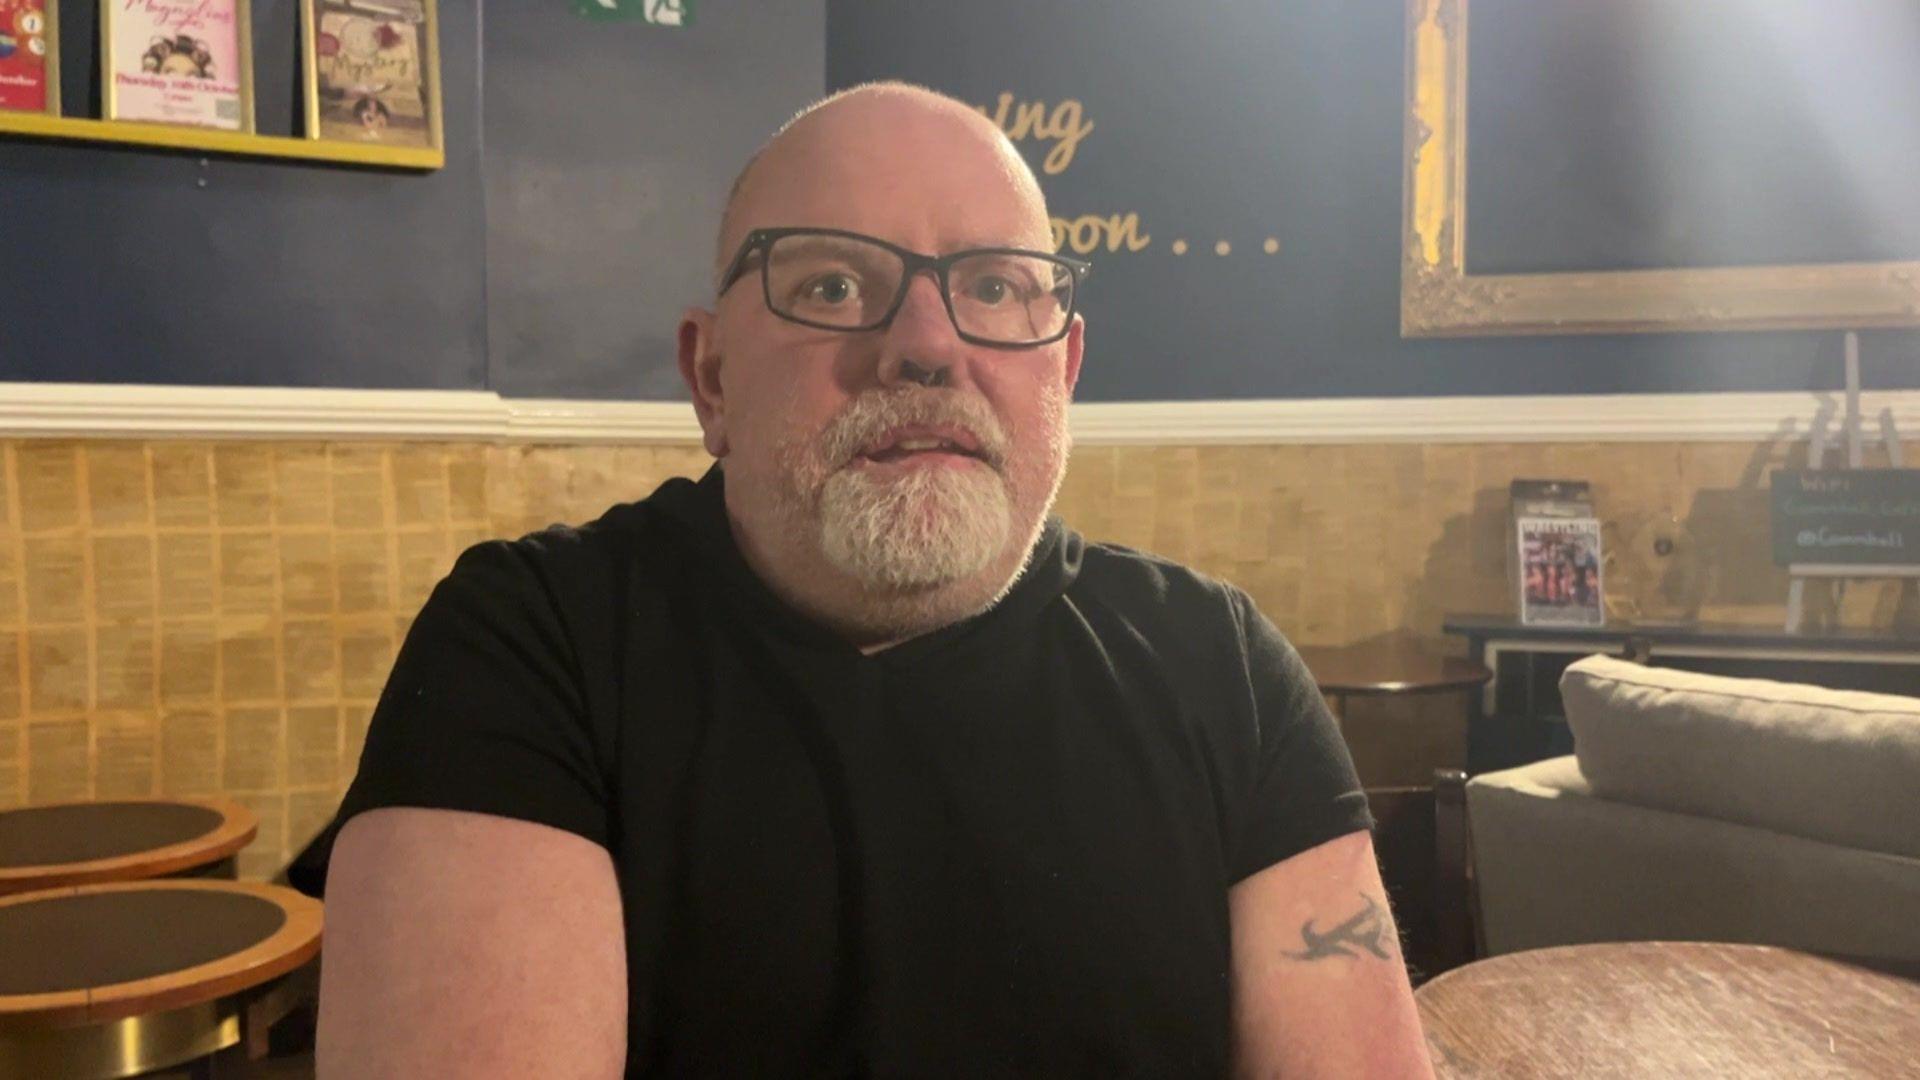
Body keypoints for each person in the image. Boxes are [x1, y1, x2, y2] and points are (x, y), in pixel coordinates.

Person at [315, 82, 1434, 1078]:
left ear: (1065, 371)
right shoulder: (530, 648)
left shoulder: (1220, 670)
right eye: (837, 281)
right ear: (710, 375)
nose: (928, 344)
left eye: (995, 286)